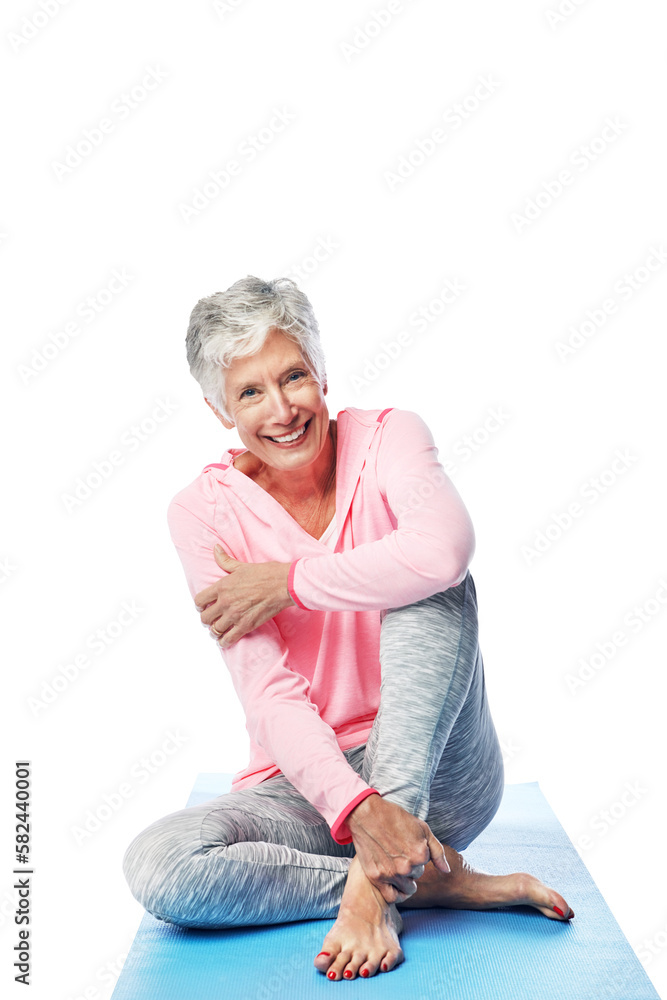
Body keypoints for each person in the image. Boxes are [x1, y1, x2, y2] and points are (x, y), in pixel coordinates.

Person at [122, 275, 573, 982]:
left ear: (321, 372)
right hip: (313, 790)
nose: (281, 409)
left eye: (294, 376)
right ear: (217, 410)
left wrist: (289, 582)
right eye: (249, 393)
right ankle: (424, 883)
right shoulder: (201, 513)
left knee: (435, 586)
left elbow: (444, 551)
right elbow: (267, 694)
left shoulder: (391, 436)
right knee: (161, 867)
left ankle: (371, 892)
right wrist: (355, 808)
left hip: (441, 777)